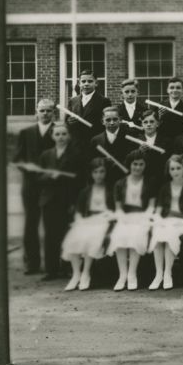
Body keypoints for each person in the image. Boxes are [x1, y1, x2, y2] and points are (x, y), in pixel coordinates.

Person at [37, 121, 85, 280]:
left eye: (64, 134)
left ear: (69, 136)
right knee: (51, 235)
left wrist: (74, 203)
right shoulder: (46, 155)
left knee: (67, 234)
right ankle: (51, 270)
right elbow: (39, 177)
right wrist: (51, 176)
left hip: (68, 200)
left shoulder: (76, 155)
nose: (61, 137)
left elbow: (79, 180)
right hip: (49, 200)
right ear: (52, 136)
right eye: (57, 134)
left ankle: (67, 268)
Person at [14, 98, 56, 274]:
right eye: (42, 110)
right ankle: (32, 263)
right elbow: (18, 159)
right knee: (31, 224)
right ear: (36, 112)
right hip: (31, 186)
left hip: (51, 186)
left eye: (48, 110)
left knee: (52, 224)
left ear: (54, 113)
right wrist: (29, 168)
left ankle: (53, 265)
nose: (45, 113)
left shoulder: (59, 132)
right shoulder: (26, 133)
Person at [60, 157, 114, 291]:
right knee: (73, 237)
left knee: (92, 238)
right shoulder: (85, 191)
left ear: (106, 173)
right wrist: (80, 221)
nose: (99, 175)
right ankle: (76, 274)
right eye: (95, 172)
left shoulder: (110, 191)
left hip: (104, 221)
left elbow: (113, 211)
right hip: (88, 220)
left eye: (102, 172)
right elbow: (78, 211)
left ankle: (86, 273)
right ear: (91, 174)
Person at [148, 154, 183, 291]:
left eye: (178, 168)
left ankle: (167, 273)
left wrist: (182, 222)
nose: (175, 171)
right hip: (166, 221)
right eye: (172, 169)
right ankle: (158, 273)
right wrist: (160, 221)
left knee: (170, 234)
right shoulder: (164, 187)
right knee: (158, 234)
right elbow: (158, 212)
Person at [106, 149, 156, 291]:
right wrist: (123, 219)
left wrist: (144, 218)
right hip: (125, 217)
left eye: (141, 164)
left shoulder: (150, 182)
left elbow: (151, 206)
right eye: (135, 164)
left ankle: (132, 274)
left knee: (136, 235)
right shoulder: (120, 184)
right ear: (129, 164)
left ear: (145, 166)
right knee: (119, 235)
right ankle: (122, 275)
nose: (138, 167)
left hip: (143, 217)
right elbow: (118, 208)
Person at [64, 69, 112, 151]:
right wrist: (69, 121)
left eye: (90, 81)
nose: (86, 84)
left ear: (96, 83)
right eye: (83, 81)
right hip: (76, 144)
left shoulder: (104, 101)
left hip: (95, 143)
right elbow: (66, 121)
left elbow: (107, 124)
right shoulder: (73, 101)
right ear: (79, 84)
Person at [130, 109, 171, 191]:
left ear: (158, 123)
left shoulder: (166, 141)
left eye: (152, 122)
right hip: (142, 181)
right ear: (142, 124)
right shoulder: (135, 141)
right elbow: (130, 161)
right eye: (145, 122)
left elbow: (168, 160)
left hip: (161, 180)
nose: (148, 124)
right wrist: (139, 151)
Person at [91, 106, 130, 189]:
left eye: (115, 119)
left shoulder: (129, 138)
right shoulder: (96, 140)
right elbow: (92, 163)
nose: (112, 123)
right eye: (108, 120)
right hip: (103, 183)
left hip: (124, 182)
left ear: (120, 120)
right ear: (102, 121)